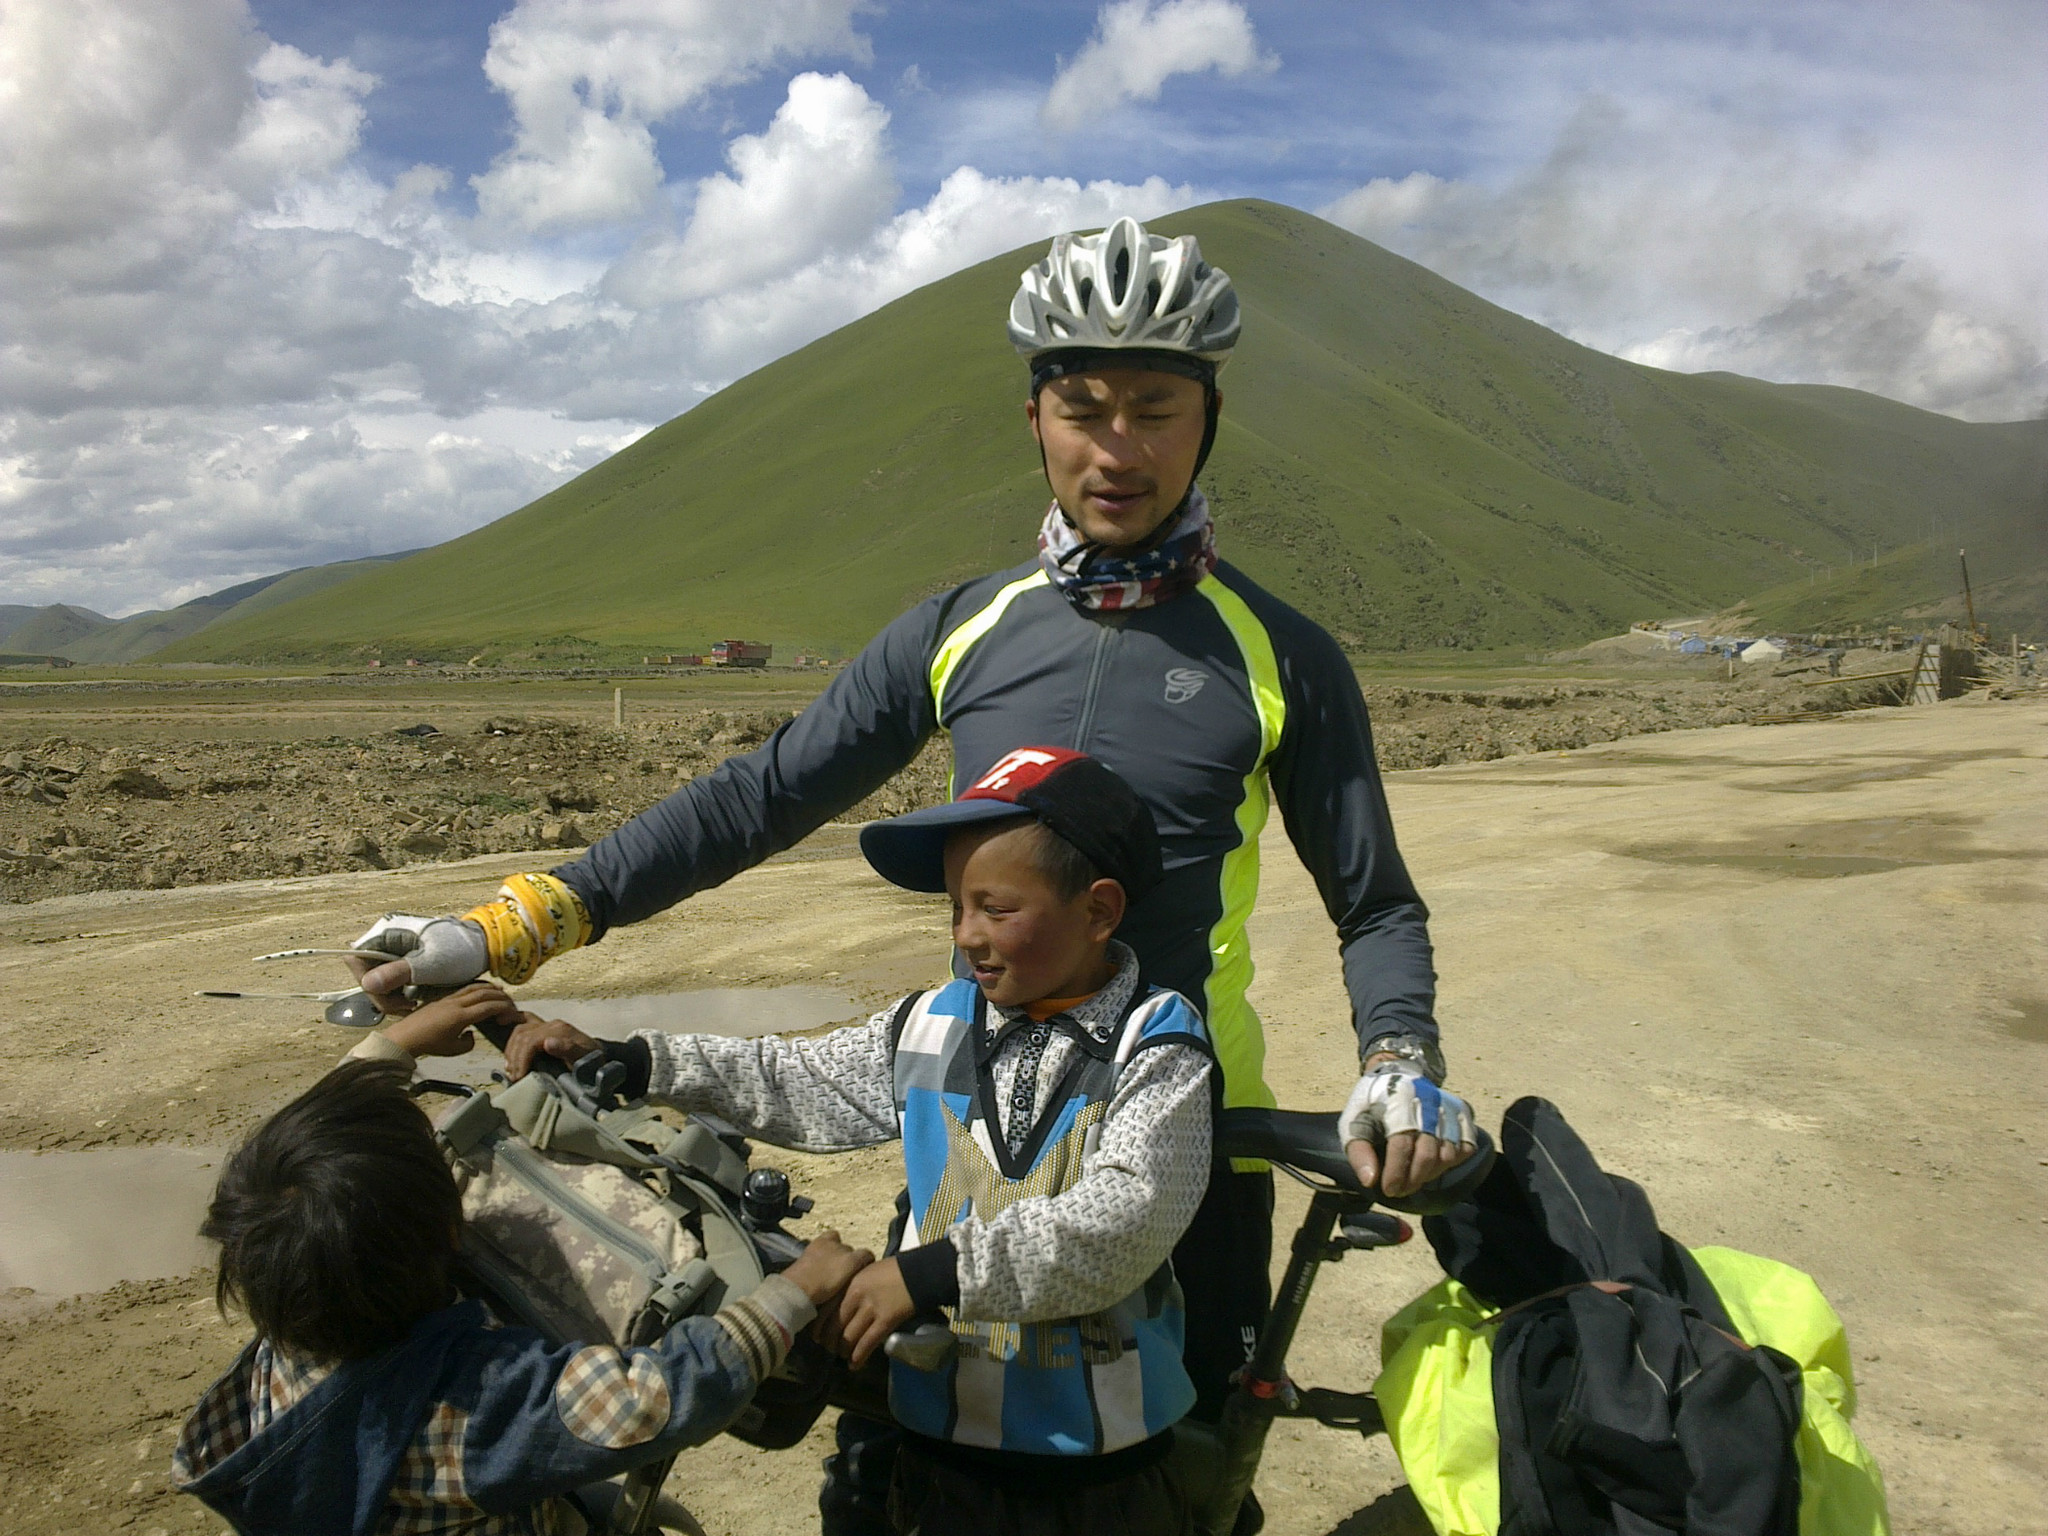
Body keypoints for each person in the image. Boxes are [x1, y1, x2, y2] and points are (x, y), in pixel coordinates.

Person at [349, 214, 1476, 1534]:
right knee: (917, 1482)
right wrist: (517, 925)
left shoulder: (1278, 653)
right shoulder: (963, 630)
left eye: (1156, 410)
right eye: (1085, 407)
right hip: (968, 1153)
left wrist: (1402, 1050)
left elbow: (1376, 900)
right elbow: (761, 796)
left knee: (1175, 1495)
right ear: (1035, 417)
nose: (1117, 448)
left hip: (1184, 1149)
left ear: (1208, 420)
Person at [504, 749, 1214, 1536]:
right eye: (954, 907)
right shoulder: (933, 1021)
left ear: (1100, 911)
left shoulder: (1157, 1043)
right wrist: (640, 1060)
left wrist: (930, 1272)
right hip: (932, 1442)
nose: (967, 935)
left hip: (1097, 1468)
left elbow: (1126, 1218)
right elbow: (795, 1079)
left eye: (996, 909)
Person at [172, 986, 873, 1536]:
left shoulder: (299, 1304)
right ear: (450, 1233)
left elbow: (300, 1159)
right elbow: (652, 1395)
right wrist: (792, 1292)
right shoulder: (468, 1412)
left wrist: (394, 1044)